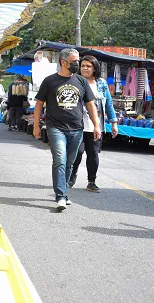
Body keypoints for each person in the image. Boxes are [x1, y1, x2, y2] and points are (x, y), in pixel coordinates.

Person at [33, 48, 101, 211]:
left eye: (78, 60)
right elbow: (39, 104)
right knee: (60, 160)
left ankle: (64, 192)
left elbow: (90, 104)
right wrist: (36, 126)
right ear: (63, 62)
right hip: (55, 127)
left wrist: (96, 125)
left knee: (69, 163)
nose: (77, 64)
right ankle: (61, 196)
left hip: (77, 129)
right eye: (74, 62)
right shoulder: (50, 81)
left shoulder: (81, 81)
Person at [70, 55, 119, 192]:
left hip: (95, 126)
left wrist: (114, 123)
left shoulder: (101, 84)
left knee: (93, 154)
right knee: (77, 153)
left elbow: (108, 104)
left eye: (88, 66)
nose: (85, 68)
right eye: (83, 65)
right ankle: (71, 176)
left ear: (94, 68)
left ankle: (91, 181)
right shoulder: (75, 81)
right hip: (77, 124)